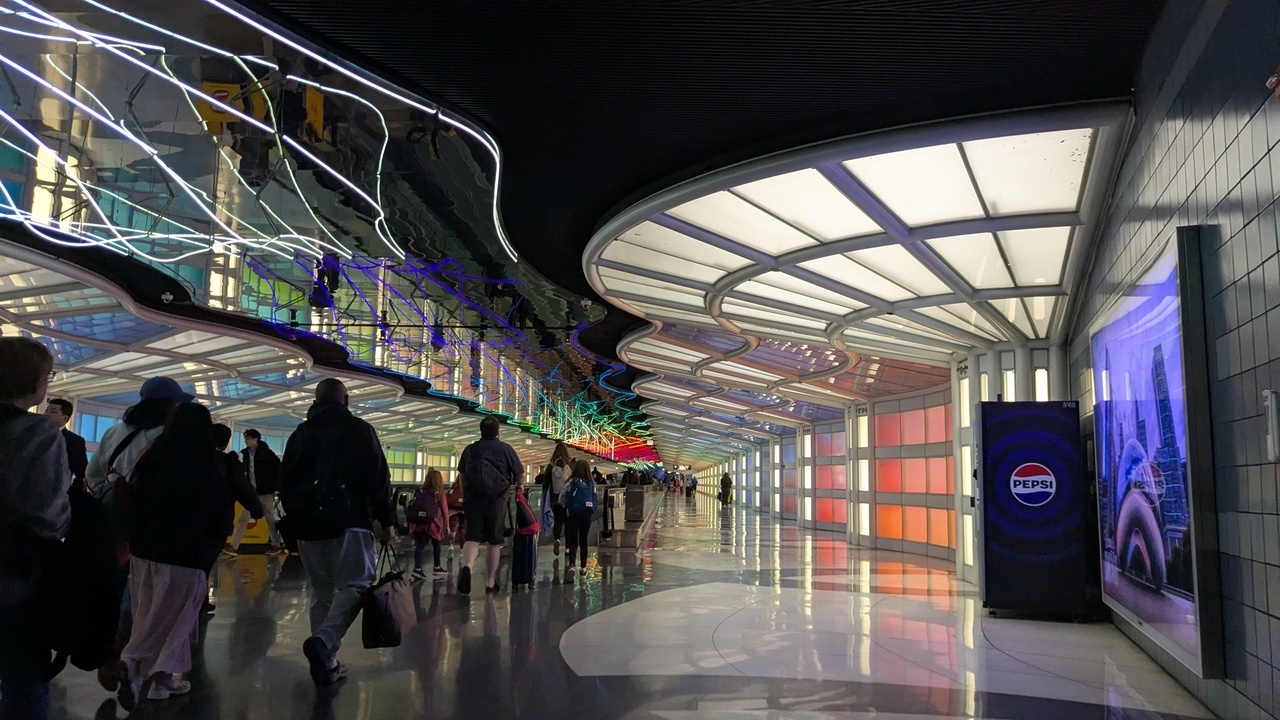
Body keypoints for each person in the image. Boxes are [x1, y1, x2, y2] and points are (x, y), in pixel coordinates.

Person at [118, 403, 246, 707]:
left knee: (147, 614)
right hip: (186, 556)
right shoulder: (208, 464)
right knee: (178, 621)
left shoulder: (152, 456)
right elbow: (216, 512)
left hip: (145, 553)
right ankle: (146, 669)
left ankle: (144, 678)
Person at [280, 378, 394, 686]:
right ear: (346, 401)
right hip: (350, 521)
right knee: (356, 585)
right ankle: (324, 642)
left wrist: (297, 516)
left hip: (308, 527)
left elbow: (285, 480)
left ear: (316, 401)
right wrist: (387, 521)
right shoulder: (360, 431)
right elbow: (378, 479)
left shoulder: (301, 434)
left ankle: (327, 663)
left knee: (321, 595)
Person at [85, 376, 191, 692]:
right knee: (148, 597)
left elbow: (93, 476)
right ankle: (139, 666)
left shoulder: (115, 432)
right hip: (152, 529)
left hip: (113, 524)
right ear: (170, 405)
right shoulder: (170, 437)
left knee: (117, 590)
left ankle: (113, 654)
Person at [0, 338, 71, 720]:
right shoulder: (38, 434)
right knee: (23, 678)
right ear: (32, 382)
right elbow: (49, 514)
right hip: (14, 575)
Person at [456, 416, 523, 595]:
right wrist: (519, 487)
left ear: (480, 430)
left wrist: (466, 495)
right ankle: (490, 582)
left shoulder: (470, 450)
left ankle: (468, 566)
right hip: (497, 500)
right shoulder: (505, 449)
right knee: (494, 541)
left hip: (473, 499)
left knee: (473, 537)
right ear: (497, 431)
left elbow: (462, 476)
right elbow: (519, 473)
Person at [209, 424, 263, 614]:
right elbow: (243, 489)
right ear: (225, 443)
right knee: (206, 560)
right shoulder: (230, 463)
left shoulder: (191, 459)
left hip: (189, 520)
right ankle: (198, 598)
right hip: (218, 519)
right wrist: (257, 510)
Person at [225, 429, 283, 556]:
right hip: (252, 492)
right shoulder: (245, 454)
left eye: (248, 438)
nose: (246, 441)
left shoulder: (267, 454)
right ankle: (234, 546)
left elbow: (277, 471)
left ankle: (275, 544)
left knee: (269, 518)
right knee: (245, 518)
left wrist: (276, 487)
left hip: (265, 491)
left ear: (255, 439)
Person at [407, 468, 450, 580]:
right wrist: (447, 525)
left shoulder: (421, 491)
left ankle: (417, 569)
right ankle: (437, 567)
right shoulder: (439, 494)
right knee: (437, 544)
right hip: (432, 524)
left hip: (419, 524)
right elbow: (445, 510)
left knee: (420, 545)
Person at [559, 460, 598, 581]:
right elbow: (595, 500)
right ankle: (583, 568)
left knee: (573, 541)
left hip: (573, 514)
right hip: (586, 514)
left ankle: (571, 565)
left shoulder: (571, 482)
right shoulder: (592, 483)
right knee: (583, 540)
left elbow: (562, 497)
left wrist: (567, 507)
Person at [43, 398, 87, 491]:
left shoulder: (74, 441)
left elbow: (81, 473)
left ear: (65, 418)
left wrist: (69, 495)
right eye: (46, 410)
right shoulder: (36, 435)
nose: (46, 414)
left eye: (53, 412)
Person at [541, 442, 572, 556]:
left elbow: (545, 481)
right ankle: (568, 549)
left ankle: (557, 539)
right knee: (568, 523)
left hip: (555, 499)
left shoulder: (551, 465)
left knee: (558, 521)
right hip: (568, 499)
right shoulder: (570, 464)